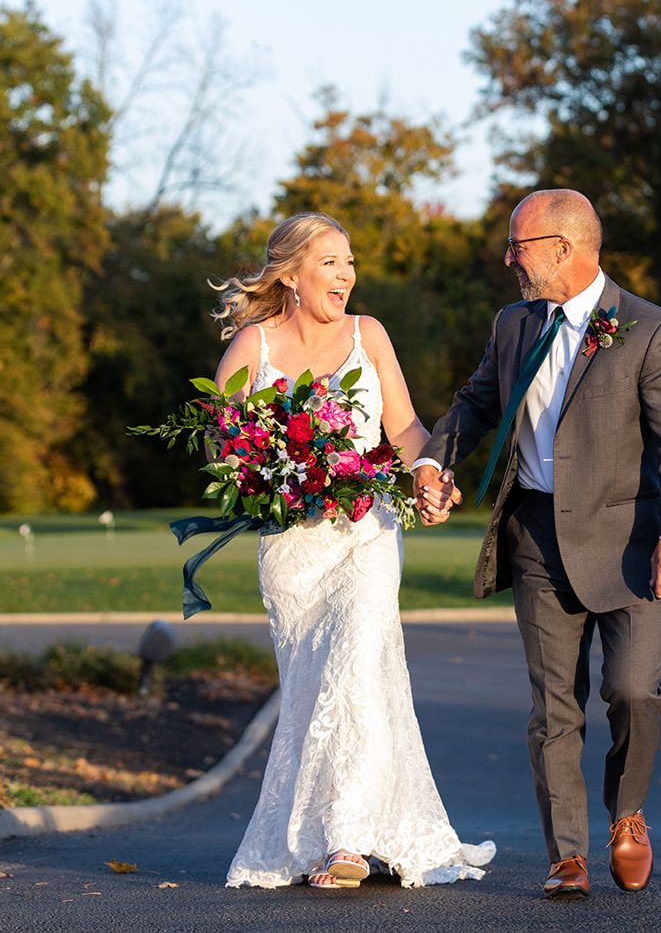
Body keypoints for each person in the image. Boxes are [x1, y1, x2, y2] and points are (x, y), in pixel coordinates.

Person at [413, 189, 661, 900]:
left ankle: (627, 814)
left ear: (564, 248)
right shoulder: (513, 324)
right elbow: (478, 401)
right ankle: (567, 854)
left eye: (519, 245)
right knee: (555, 705)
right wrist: (435, 457)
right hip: (536, 536)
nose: (509, 258)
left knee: (632, 690)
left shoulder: (648, 329)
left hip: (630, 543)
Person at [210, 211, 493, 890]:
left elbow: (403, 427)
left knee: (358, 661)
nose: (347, 274)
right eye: (331, 261)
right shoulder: (255, 344)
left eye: (350, 261)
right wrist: (278, 464)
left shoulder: (369, 334)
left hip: (367, 529)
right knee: (314, 683)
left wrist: (430, 475)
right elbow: (222, 442)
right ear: (293, 274)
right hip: (293, 548)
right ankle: (320, 835)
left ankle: (348, 841)